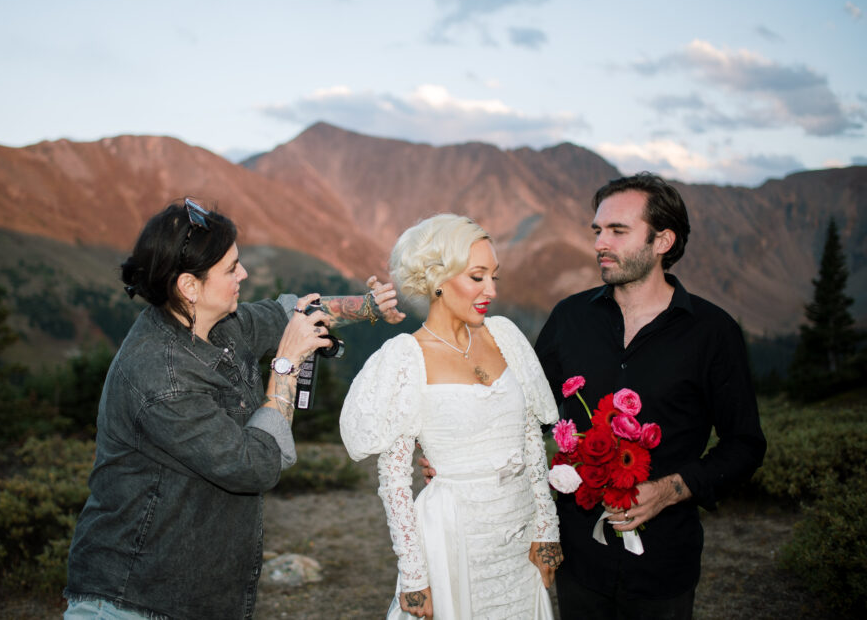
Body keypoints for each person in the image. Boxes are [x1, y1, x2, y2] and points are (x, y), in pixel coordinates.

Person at [63, 198, 404, 620]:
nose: (243, 274)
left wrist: (370, 306)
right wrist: (286, 363)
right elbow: (255, 465)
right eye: (231, 268)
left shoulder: (218, 324)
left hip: (189, 594)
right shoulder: (162, 376)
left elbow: (294, 312)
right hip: (133, 598)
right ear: (190, 286)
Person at [534, 173, 767, 619]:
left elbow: (745, 445)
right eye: (597, 230)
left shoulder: (712, 333)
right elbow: (525, 414)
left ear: (663, 240)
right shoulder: (570, 319)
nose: (601, 242)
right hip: (578, 558)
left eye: (618, 231)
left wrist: (670, 489)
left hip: (664, 563)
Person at [340, 213, 563, 620]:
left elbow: (530, 437)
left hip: (518, 538)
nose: (491, 290)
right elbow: (393, 481)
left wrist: (546, 529)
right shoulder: (405, 359)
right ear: (437, 279)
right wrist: (413, 575)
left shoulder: (505, 336)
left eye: (494, 276)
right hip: (452, 537)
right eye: (477, 277)